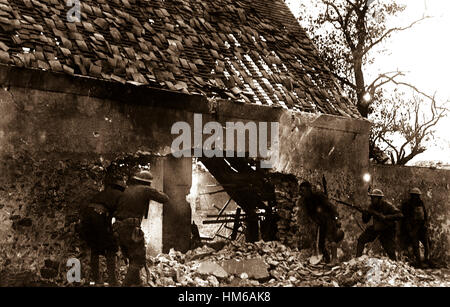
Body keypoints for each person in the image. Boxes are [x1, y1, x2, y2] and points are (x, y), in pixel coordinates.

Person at [113, 170, 169, 286]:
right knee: (138, 260)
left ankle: (137, 284)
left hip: (119, 227)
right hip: (131, 228)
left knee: (132, 258)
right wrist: (154, 190)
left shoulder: (127, 189)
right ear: (147, 183)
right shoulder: (145, 189)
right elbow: (165, 198)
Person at [79, 177, 126, 286]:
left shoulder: (105, 192)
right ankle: (112, 281)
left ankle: (96, 280)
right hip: (99, 216)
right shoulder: (120, 196)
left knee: (95, 247)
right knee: (111, 247)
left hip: (88, 216)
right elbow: (117, 215)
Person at [299, 181, 344, 263]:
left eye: (303, 190)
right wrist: (315, 221)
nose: (301, 192)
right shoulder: (305, 202)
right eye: (301, 190)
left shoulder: (318, 197)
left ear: (309, 190)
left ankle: (334, 259)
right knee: (320, 243)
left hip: (329, 220)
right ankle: (327, 260)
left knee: (331, 239)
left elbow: (331, 208)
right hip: (320, 222)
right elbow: (310, 214)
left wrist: (337, 219)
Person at [356, 189, 403, 261]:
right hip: (377, 228)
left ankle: (395, 264)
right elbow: (365, 220)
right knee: (361, 240)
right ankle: (357, 260)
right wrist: (364, 213)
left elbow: (400, 215)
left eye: (374, 197)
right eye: (372, 197)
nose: (372, 199)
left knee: (390, 251)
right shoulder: (371, 206)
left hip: (388, 230)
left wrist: (386, 217)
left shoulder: (388, 205)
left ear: (379, 198)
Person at [400, 187, 430, 267]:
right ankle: (419, 262)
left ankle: (427, 260)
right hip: (412, 227)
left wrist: (424, 225)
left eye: (417, 196)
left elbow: (425, 216)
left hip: (421, 227)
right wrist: (410, 230)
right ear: (412, 196)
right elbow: (405, 219)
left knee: (426, 243)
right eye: (415, 195)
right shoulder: (407, 205)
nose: (416, 197)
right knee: (415, 244)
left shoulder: (420, 203)